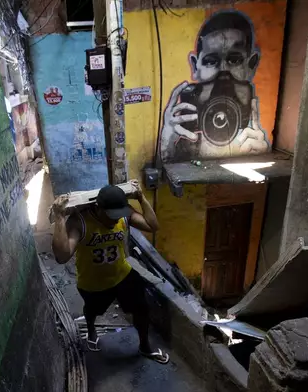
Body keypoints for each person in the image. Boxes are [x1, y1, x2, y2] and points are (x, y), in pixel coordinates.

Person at [51, 181, 169, 364]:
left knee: (141, 309)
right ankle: (91, 328)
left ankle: (145, 346)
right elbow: (62, 256)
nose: (115, 220)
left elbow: (152, 226)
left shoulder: (123, 215)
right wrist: (59, 218)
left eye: (118, 215)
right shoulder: (80, 221)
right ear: (98, 208)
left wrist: (140, 197)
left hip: (122, 274)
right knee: (93, 310)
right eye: (111, 216)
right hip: (93, 282)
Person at [160, 10, 269, 162]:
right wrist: (167, 145)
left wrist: (259, 156)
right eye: (211, 61)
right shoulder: (185, 137)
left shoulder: (252, 136)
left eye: (235, 60)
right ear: (194, 65)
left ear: (251, 64)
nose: (223, 72)